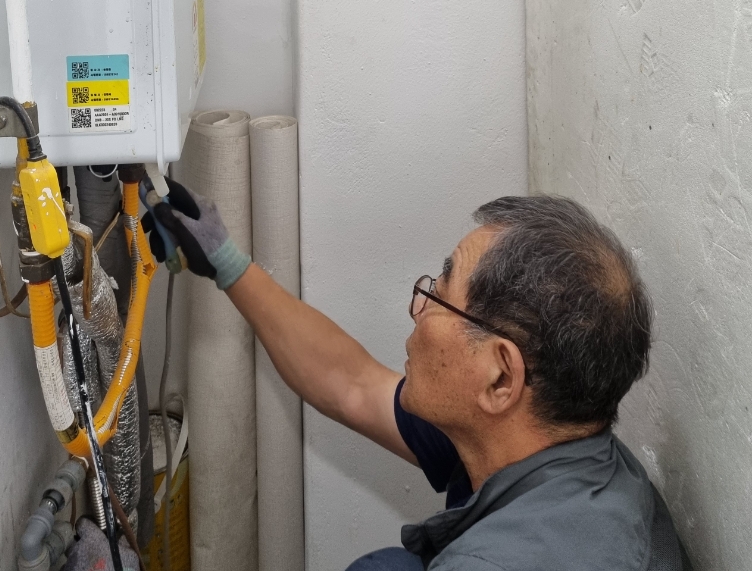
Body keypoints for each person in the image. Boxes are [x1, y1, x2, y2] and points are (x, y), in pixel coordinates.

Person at [147, 189, 692, 570]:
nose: (417, 310)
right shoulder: (556, 444)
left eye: (439, 297)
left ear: (500, 377)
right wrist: (225, 260)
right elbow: (352, 384)